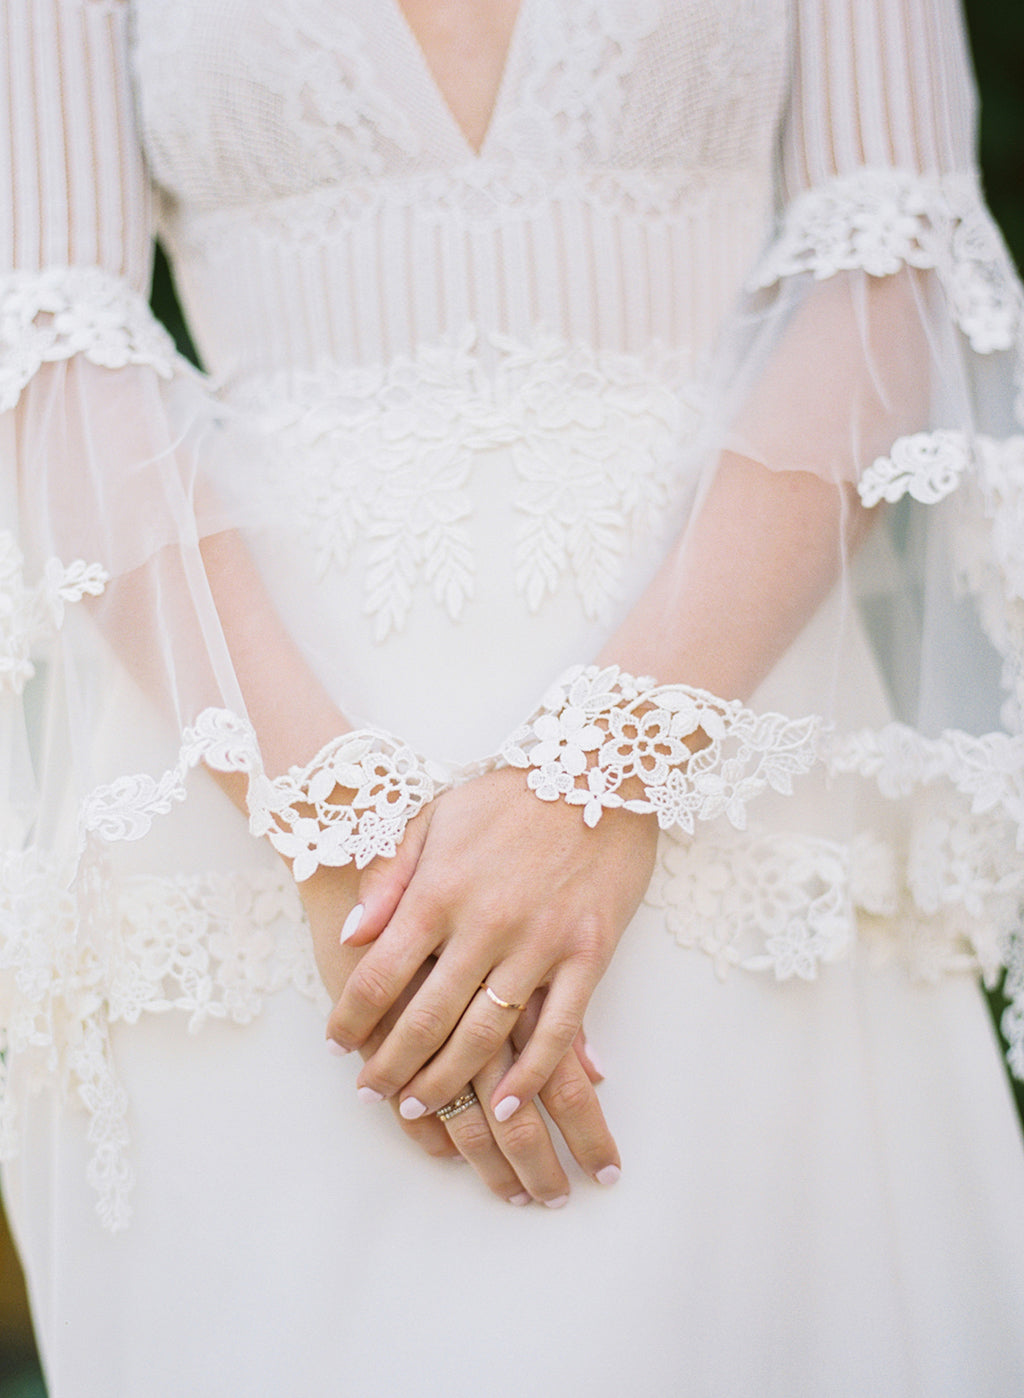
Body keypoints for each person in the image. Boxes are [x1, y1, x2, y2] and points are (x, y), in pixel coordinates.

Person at [2, 0, 1024, 1393]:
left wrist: (607, 765)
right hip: (263, 828)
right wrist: (338, 825)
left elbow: (892, 253)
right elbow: (50, 330)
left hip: (735, 756)